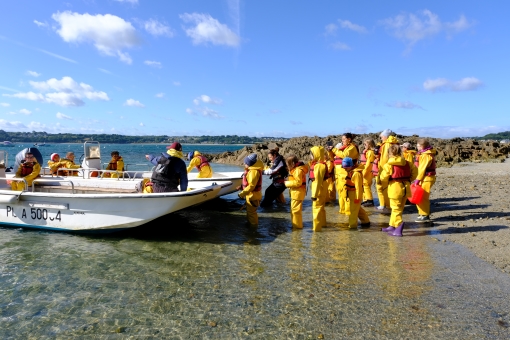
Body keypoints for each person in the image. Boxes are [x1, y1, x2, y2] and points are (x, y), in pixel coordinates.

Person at [379, 144, 417, 236]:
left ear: (389, 153)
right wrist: (408, 180)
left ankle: (398, 228)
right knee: (398, 209)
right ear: (400, 152)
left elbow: (383, 177)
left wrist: (386, 181)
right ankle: (392, 226)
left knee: (395, 209)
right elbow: (415, 173)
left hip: (395, 189)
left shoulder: (389, 165)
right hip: (406, 188)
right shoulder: (408, 163)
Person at [330, 133, 359, 215]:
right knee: (340, 192)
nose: (342, 141)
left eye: (343, 139)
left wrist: (334, 150)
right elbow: (333, 158)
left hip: (345, 173)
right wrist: (330, 151)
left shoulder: (352, 148)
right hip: (338, 173)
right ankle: (342, 210)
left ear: (349, 139)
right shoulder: (342, 148)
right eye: (342, 139)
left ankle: (348, 211)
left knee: (345, 192)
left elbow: (345, 156)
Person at [341, 157, 370, 229]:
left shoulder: (356, 174)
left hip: (355, 196)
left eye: (346, 168)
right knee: (358, 210)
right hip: (352, 195)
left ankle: (352, 226)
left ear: (351, 166)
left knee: (353, 212)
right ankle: (366, 222)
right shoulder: (351, 172)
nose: (345, 169)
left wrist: (357, 198)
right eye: (344, 167)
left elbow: (358, 188)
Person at [375, 129, 399, 212]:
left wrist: (382, 170)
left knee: (383, 187)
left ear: (385, 136)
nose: (381, 138)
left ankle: (387, 206)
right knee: (387, 187)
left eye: (381, 137)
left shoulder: (387, 144)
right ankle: (386, 205)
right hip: (391, 168)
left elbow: (385, 158)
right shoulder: (393, 143)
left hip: (385, 169)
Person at [414, 138, 437, 223]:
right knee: (420, 196)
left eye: (418, 145)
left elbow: (422, 169)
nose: (417, 147)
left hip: (427, 178)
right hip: (424, 178)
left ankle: (425, 215)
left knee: (423, 197)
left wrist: (417, 179)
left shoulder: (426, 155)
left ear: (422, 146)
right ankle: (422, 214)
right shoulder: (424, 154)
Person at [238, 153, 264, 225]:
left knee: (252, 213)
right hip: (252, 195)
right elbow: (249, 184)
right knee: (250, 212)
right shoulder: (252, 170)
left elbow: (251, 186)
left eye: (245, 163)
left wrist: (242, 194)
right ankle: (250, 226)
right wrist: (241, 187)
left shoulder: (253, 172)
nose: (244, 164)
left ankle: (253, 229)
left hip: (253, 196)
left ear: (249, 164)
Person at [284, 155, 308, 229]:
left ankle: (297, 227)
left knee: (295, 211)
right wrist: (288, 179)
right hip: (296, 193)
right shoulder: (296, 169)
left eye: (288, 165)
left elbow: (298, 182)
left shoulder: (297, 170)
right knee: (294, 210)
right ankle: (296, 225)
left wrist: (286, 183)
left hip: (298, 193)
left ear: (293, 164)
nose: (287, 167)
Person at [309, 146, 328, 231]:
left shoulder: (318, 166)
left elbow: (317, 181)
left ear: (316, 155)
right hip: (322, 188)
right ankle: (323, 225)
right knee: (321, 208)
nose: (310, 156)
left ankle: (316, 228)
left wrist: (314, 195)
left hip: (319, 190)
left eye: (311, 154)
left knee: (316, 208)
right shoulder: (319, 164)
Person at [360, 139, 376, 207]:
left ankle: (370, 200)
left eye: (365, 144)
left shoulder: (370, 152)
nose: (364, 146)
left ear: (369, 145)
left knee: (366, 184)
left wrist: (365, 172)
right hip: (365, 169)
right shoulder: (368, 152)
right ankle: (366, 199)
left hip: (368, 171)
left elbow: (369, 164)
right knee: (365, 185)